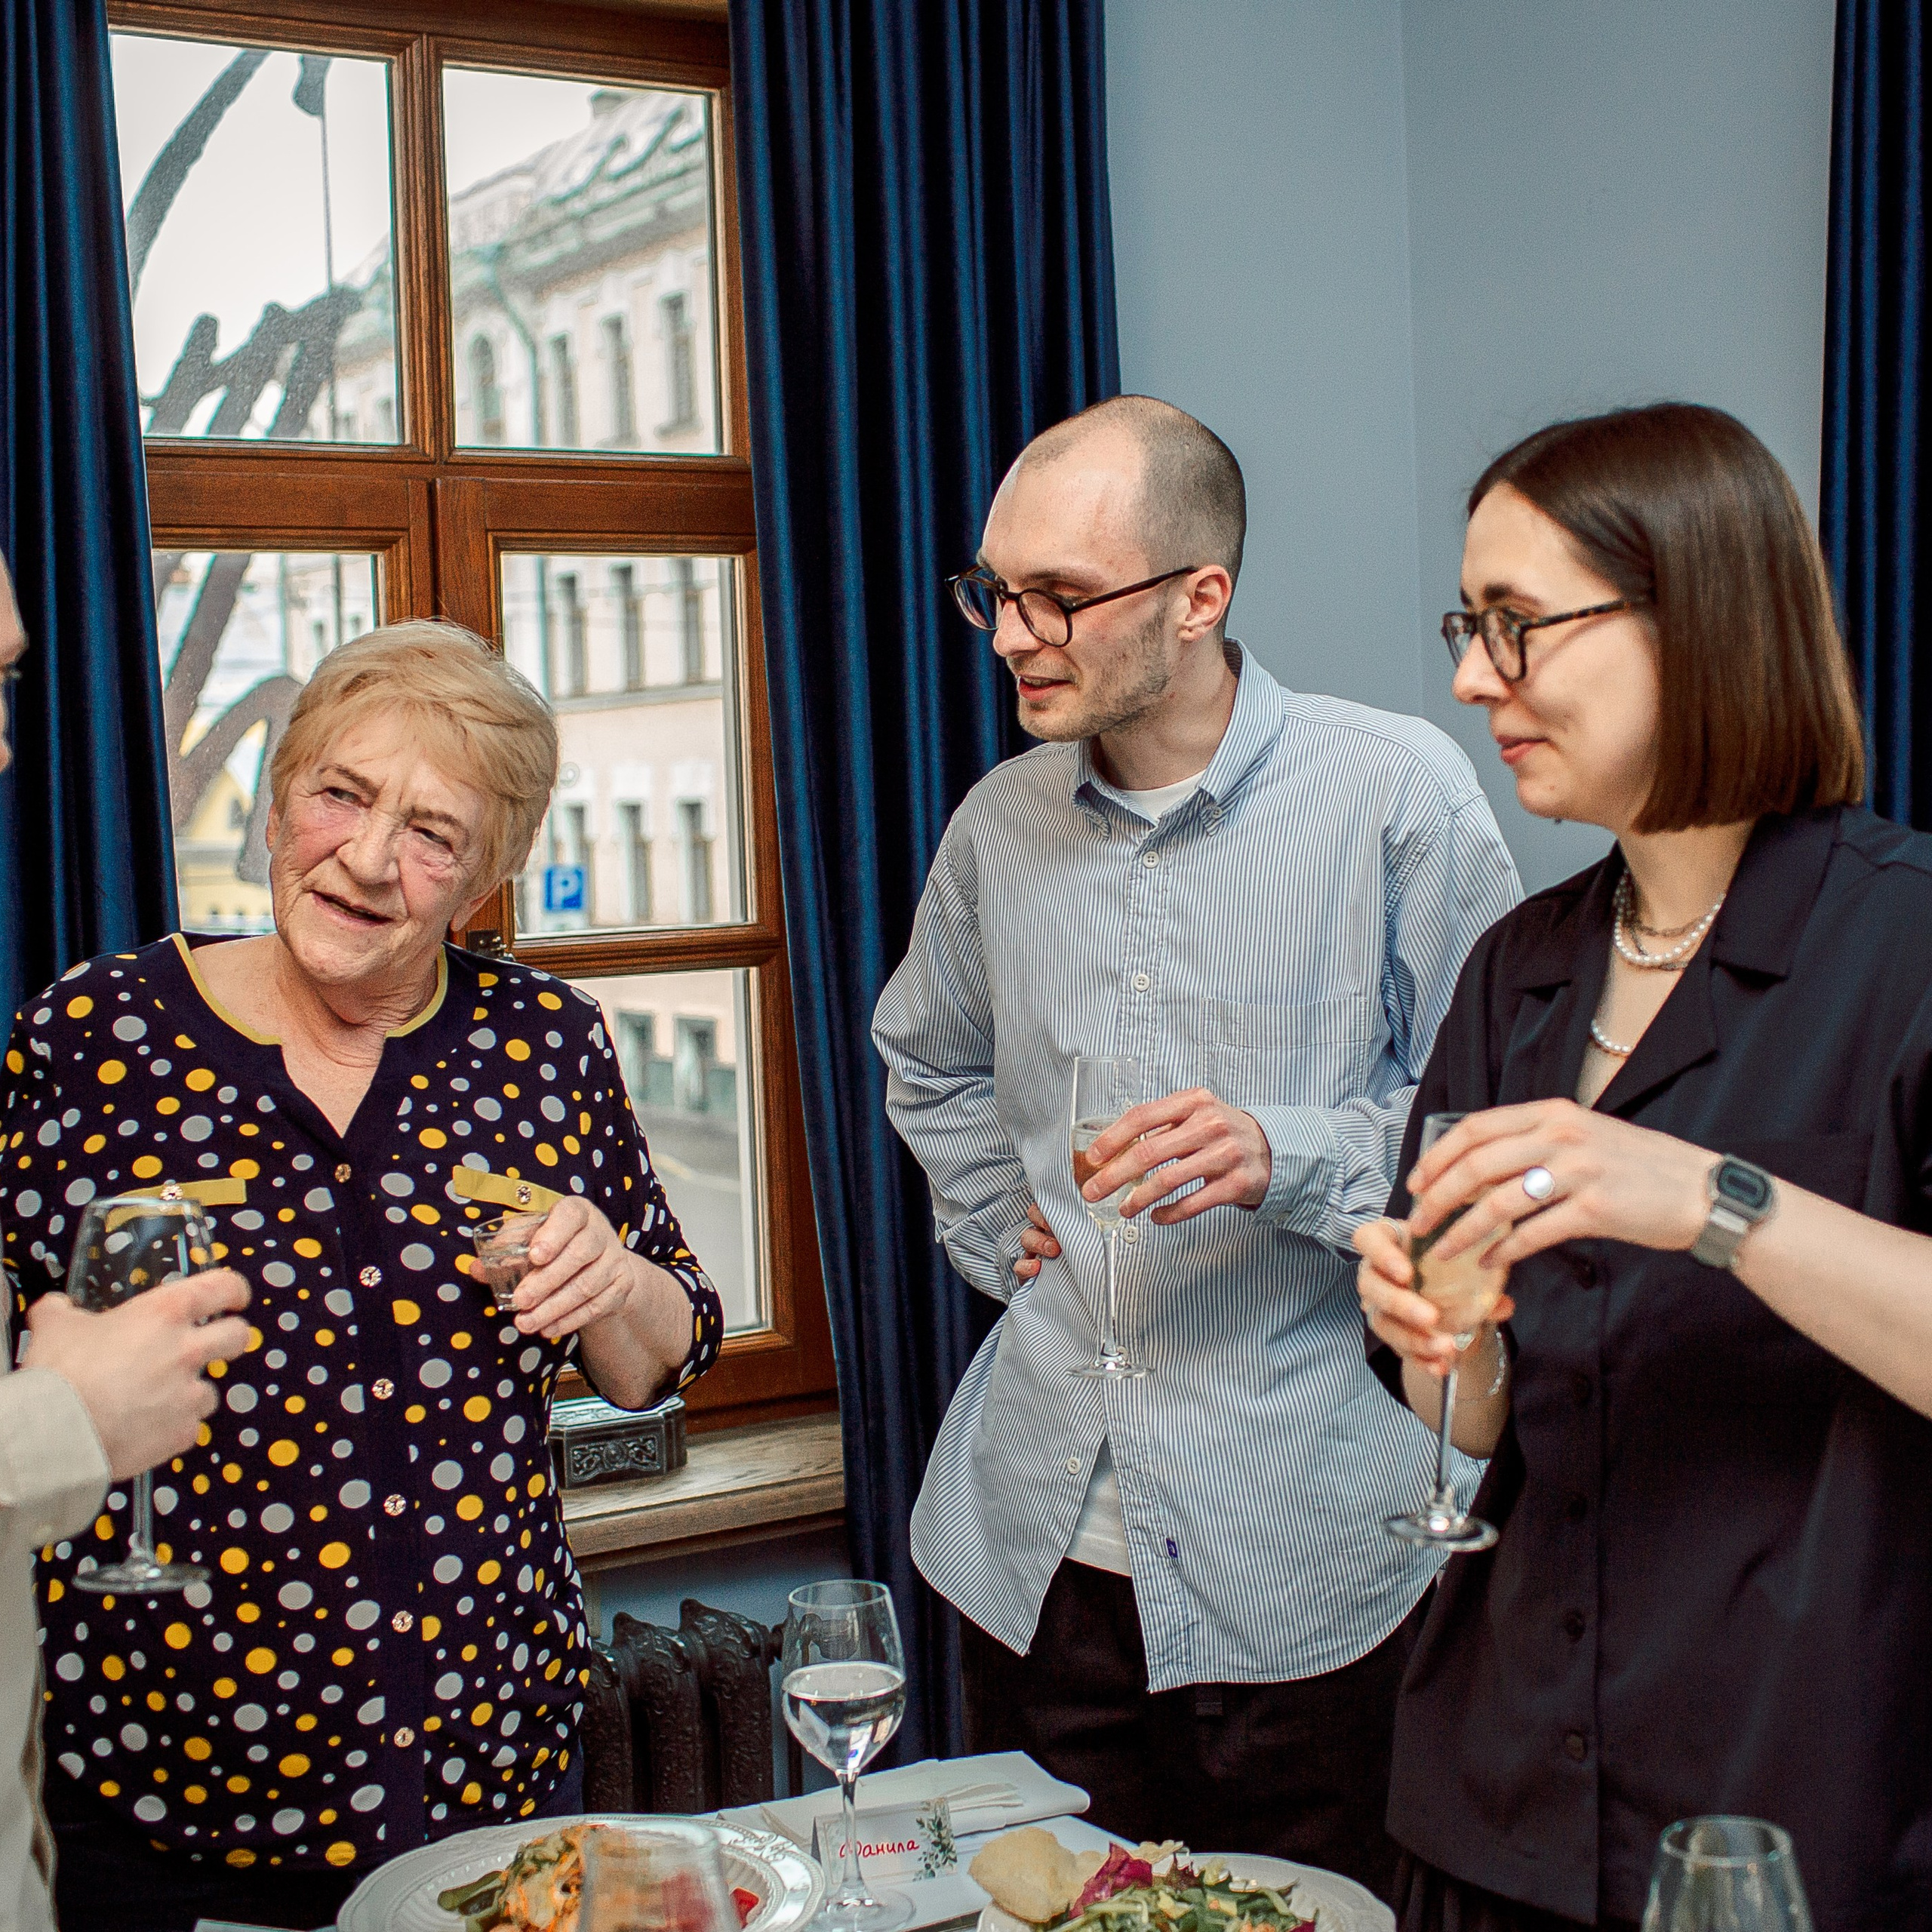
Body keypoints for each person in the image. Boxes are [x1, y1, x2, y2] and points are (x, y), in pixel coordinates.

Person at [873, 395, 1521, 1894]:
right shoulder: (993, 828)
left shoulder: (1395, 796)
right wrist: (991, 1224)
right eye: (991, 590)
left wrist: (1282, 1152)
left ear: (1198, 595)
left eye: (1057, 597)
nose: (1010, 634)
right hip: (1030, 1560)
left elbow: (1496, 1114)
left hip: (1303, 1560)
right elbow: (927, 1057)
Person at [4, 620, 724, 1932]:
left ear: (482, 881)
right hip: (169, 1795)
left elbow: (661, 1354)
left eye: (434, 833)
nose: (371, 859)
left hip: (488, 1778)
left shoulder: (542, 1045)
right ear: (282, 798)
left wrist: (612, 1280)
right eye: (340, 794)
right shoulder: (95, 1035)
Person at [1353, 401, 1932, 1931]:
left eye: (1516, 625)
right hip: (1493, 1808)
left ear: (1698, 614)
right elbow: (1471, 1413)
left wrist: (1712, 1200)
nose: (1473, 676)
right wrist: (1439, 1325)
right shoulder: (1512, 973)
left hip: (1792, 1820)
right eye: (1464, 625)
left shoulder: (1905, 944)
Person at [0, 552, 254, 1932]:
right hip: (142, 1803)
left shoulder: (541, 1039)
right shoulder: (94, 1030)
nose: (3, 742)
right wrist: (63, 1423)